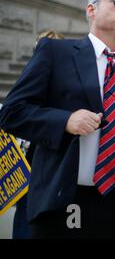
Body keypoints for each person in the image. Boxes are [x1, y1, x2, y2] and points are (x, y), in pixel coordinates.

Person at [0, 0, 115, 238]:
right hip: (64, 201)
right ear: (91, 10)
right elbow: (12, 113)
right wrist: (65, 121)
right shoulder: (55, 53)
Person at [11, 30, 65, 239]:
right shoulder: (29, 80)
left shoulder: (65, 85)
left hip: (47, 162)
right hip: (26, 162)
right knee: (24, 215)